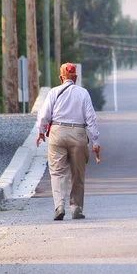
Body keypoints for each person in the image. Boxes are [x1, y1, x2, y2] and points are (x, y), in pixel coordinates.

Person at [36, 62, 101, 221]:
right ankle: (76, 208)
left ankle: (59, 206)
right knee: (77, 173)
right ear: (76, 78)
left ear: (61, 78)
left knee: (57, 172)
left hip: (57, 133)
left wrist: (41, 131)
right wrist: (95, 140)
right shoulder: (83, 93)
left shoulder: (53, 92)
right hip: (78, 134)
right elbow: (90, 118)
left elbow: (44, 115)